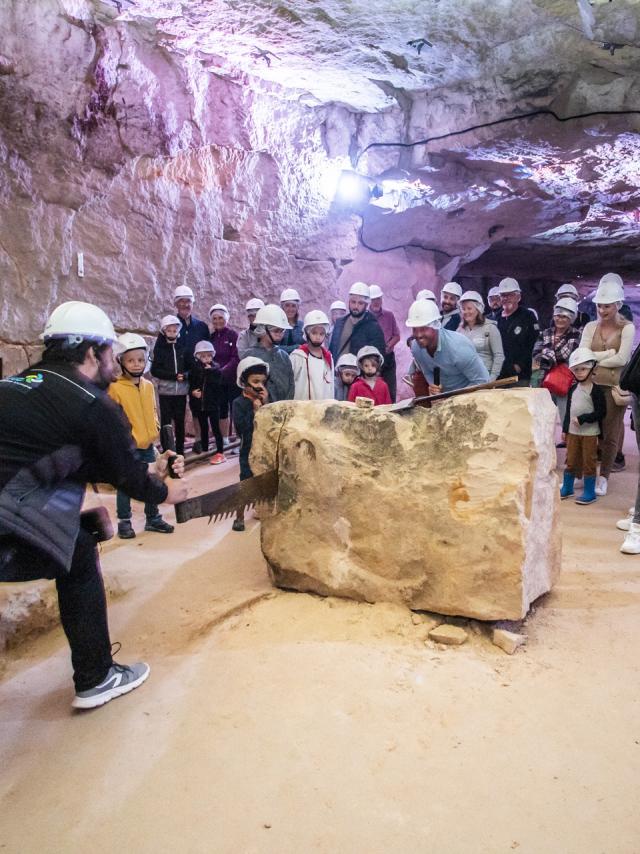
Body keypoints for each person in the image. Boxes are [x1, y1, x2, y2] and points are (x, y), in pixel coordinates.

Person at [0, 301, 187, 709]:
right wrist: (170, 493)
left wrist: (79, 513)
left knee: (80, 541)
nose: (114, 364)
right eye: (109, 354)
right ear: (91, 353)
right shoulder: (91, 403)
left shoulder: (17, 385)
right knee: (79, 553)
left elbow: (54, 461)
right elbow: (128, 477)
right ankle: (96, 676)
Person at [108, 333, 174, 539]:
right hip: (128, 446)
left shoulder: (147, 385)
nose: (136, 365)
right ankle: (124, 521)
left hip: (147, 444)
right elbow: (112, 418)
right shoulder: (115, 388)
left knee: (152, 480)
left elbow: (153, 411)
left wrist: (154, 431)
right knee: (125, 484)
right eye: (130, 360)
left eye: (140, 360)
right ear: (121, 361)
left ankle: (152, 517)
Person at [580, 273, 634, 496]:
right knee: (590, 431)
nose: (603, 310)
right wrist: (606, 354)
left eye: (608, 306)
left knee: (611, 434)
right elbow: (582, 354)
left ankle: (605, 476)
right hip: (590, 386)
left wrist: (595, 358)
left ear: (618, 305)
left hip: (613, 387)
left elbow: (622, 359)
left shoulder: (627, 328)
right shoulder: (590, 327)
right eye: (600, 306)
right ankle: (589, 472)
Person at [406, 299, 489, 392]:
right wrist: (434, 387)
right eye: (414, 329)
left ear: (436, 326)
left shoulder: (459, 348)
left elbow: (483, 381)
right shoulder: (416, 348)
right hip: (445, 399)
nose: (418, 335)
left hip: (470, 396)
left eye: (423, 329)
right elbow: (428, 371)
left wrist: (455, 398)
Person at [559, 348, 606, 505]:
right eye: (576, 369)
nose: (579, 373)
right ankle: (567, 487)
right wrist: (565, 429)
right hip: (573, 433)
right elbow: (568, 412)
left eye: (583, 369)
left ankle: (589, 491)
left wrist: (584, 418)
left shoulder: (596, 391)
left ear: (592, 368)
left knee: (589, 461)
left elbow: (601, 412)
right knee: (570, 459)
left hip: (590, 434)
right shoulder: (573, 389)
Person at [231, 357, 269, 532]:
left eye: (262, 381)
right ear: (244, 382)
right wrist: (255, 411)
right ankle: (239, 517)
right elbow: (242, 428)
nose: (259, 385)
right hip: (247, 449)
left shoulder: (265, 401)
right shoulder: (239, 403)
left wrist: (266, 405)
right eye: (255, 381)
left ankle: (262, 509)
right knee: (245, 482)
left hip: (263, 448)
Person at [533, 296, 581, 433]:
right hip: (543, 381)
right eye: (557, 316)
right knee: (544, 417)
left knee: (566, 415)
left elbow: (567, 355)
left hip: (565, 383)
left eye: (565, 317)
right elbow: (535, 356)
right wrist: (535, 380)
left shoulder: (576, 335)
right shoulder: (545, 333)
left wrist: (546, 355)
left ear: (571, 318)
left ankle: (569, 448)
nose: (560, 319)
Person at [150, 314, 188, 456]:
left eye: (174, 330)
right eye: (169, 330)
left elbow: (191, 366)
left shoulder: (183, 346)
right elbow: (155, 370)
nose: (172, 333)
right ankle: (167, 451)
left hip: (181, 392)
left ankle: (180, 451)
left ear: (178, 331)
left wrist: (185, 375)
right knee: (166, 423)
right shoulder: (160, 348)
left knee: (180, 422)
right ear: (164, 331)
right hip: (166, 392)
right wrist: (173, 376)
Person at [243, 304, 295, 402]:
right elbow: (246, 390)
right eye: (276, 331)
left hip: (283, 410)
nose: (280, 335)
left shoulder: (284, 356)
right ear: (263, 329)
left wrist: (286, 406)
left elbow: (291, 385)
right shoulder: (250, 356)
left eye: (282, 330)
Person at [328, 282, 386, 365]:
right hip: (338, 374)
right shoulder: (340, 323)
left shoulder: (373, 327)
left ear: (366, 305)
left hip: (360, 376)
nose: (356, 306)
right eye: (353, 302)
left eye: (360, 303)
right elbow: (332, 351)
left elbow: (378, 357)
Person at [497, 277, 539, 386]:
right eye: (503, 295)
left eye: (510, 295)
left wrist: (519, 365)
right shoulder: (495, 318)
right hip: (498, 374)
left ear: (518, 297)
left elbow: (533, 343)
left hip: (520, 375)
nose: (506, 298)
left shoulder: (528, 316)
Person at [208, 303, 239, 446]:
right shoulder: (211, 337)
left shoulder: (233, 335)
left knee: (235, 409)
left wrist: (223, 370)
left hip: (232, 380)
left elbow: (235, 357)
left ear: (226, 318)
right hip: (217, 381)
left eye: (221, 317)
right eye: (214, 318)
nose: (218, 321)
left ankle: (239, 439)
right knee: (221, 409)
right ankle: (224, 439)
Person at [189, 340, 225, 465]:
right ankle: (205, 449)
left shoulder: (216, 370)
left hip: (213, 404)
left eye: (208, 355)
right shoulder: (195, 369)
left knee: (216, 428)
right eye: (203, 356)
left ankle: (220, 451)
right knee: (203, 427)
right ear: (198, 357)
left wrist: (211, 372)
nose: (206, 358)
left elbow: (218, 385)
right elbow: (191, 385)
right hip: (200, 405)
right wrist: (193, 392)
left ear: (212, 355)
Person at [457, 290, 504, 381]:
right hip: (464, 379)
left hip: (485, 377)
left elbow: (499, 356)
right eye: (463, 309)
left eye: (469, 308)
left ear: (478, 309)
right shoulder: (459, 330)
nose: (466, 312)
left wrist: (492, 378)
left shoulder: (491, 328)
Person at [291, 310, 335, 400]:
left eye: (321, 333)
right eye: (314, 333)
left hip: (322, 409)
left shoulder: (328, 358)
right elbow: (290, 384)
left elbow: (331, 388)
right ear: (307, 333)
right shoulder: (298, 356)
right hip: (302, 409)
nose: (318, 337)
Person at [369, 284, 401, 401]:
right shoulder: (365, 317)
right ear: (369, 301)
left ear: (382, 299)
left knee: (390, 389)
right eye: (373, 299)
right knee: (372, 390)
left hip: (388, 358)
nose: (376, 302)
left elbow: (397, 336)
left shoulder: (389, 315)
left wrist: (389, 346)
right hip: (371, 359)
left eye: (378, 299)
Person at [279, 288, 305, 353]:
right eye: (287, 305)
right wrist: (296, 347)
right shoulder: (277, 325)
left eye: (293, 306)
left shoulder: (302, 326)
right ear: (282, 307)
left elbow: (308, 346)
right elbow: (273, 348)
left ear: (297, 307)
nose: (290, 309)